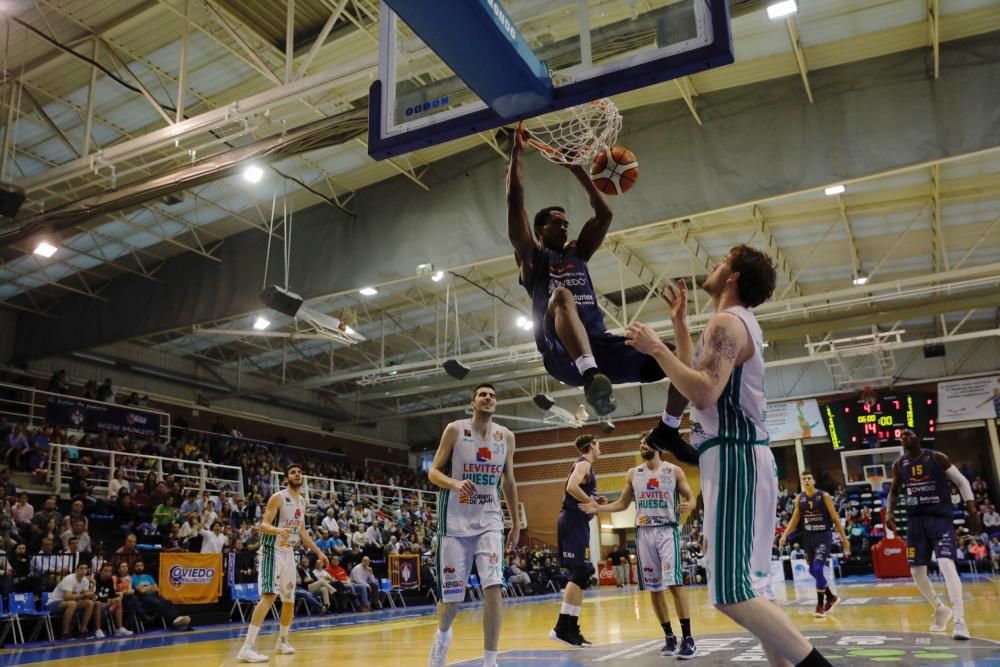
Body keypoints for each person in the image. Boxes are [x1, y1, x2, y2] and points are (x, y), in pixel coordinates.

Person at [625, 244, 834, 667]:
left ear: (734, 276)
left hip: (735, 457)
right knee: (754, 590)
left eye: (722, 262)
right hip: (743, 457)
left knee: (731, 593)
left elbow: (703, 392)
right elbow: (695, 380)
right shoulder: (737, 323)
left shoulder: (727, 322)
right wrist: (679, 327)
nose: (715, 266)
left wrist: (657, 349)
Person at [506, 122, 689, 454]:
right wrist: (517, 153)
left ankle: (670, 429)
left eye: (566, 223)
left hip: (601, 347)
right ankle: (591, 378)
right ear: (539, 229)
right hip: (561, 353)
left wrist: (577, 169)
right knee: (561, 295)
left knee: (678, 359)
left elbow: (603, 214)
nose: (564, 226)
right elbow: (514, 202)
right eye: (556, 223)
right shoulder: (533, 258)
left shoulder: (578, 252)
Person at [426, 383, 520, 667]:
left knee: (493, 587)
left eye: (492, 395)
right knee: (452, 600)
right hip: (454, 522)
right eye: (483, 395)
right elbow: (432, 472)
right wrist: (455, 483)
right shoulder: (455, 429)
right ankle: (442, 638)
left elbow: (509, 481)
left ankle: (490, 661)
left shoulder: (506, 437)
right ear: (473, 403)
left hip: (489, 519)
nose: (488, 398)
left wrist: (515, 523)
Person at [581, 437, 697, 658]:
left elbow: (691, 498)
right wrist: (597, 508)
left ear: (658, 446)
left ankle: (688, 639)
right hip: (643, 532)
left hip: (666, 530)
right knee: (654, 588)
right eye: (641, 443)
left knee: (674, 583)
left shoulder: (674, 471)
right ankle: (669, 638)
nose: (642, 446)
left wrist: (688, 504)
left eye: (646, 443)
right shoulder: (633, 474)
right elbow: (623, 503)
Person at [885, 428, 980, 640]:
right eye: (901, 435)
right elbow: (894, 491)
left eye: (909, 433)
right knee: (917, 572)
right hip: (915, 522)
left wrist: (972, 509)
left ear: (919, 438)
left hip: (939, 519)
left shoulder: (937, 457)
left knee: (946, 564)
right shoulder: (899, 465)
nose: (904, 437)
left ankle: (959, 619)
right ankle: (940, 608)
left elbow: (962, 482)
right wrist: (889, 512)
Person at [237, 463, 328, 662]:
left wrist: (319, 552)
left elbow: (302, 533)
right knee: (269, 596)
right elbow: (263, 525)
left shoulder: (302, 501)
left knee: (289, 601)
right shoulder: (278, 498)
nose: (297, 474)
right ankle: (247, 646)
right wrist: (278, 531)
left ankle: (282, 640)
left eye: (300, 472)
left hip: (288, 553)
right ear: (287, 478)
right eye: (293, 472)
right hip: (272, 551)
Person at [550, 434, 603, 647]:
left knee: (584, 573)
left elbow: (579, 492)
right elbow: (571, 487)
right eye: (599, 445)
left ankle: (571, 627)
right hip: (571, 521)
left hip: (578, 522)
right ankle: (561, 627)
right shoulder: (583, 464)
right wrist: (592, 501)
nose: (601, 449)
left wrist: (595, 501)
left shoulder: (586, 468)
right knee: (579, 571)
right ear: (591, 446)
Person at [778, 471, 851, 618]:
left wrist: (844, 540)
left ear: (814, 481)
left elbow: (835, 519)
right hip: (808, 537)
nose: (806, 481)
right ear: (801, 482)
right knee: (813, 570)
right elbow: (794, 519)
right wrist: (785, 535)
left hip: (823, 536)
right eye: (803, 479)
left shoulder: (824, 496)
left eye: (809, 478)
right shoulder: (799, 498)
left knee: (817, 568)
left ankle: (820, 606)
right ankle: (831, 597)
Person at [130, 559, 192, 629]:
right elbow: (142, 591)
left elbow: (156, 588)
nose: (139, 567)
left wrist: (146, 588)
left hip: (154, 595)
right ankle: (173, 621)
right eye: (137, 566)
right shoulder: (132, 578)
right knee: (158, 603)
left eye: (141, 565)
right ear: (134, 568)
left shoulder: (148, 576)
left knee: (168, 602)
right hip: (143, 598)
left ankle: (178, 618)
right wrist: (151, 587)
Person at [48, 562, 98, 638]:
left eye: (85, 568)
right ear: (76, 570)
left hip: (68, 603)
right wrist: (83, 595)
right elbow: (66, 597)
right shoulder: (69, 579)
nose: (83, 570)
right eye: (81, 568)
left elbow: (87, 595)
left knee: (90, 603)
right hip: (54, 603)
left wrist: (93, 584)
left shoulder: (85, 580)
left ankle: (83, 630)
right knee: (72, 603)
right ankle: (65, 633)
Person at [93, 561, 133, 636]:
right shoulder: (95, 579)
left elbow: (112, 594)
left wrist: (118, 596)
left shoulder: (110, 580)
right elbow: (95, 596)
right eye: (105, 570)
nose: (107, 573)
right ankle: (98, 630)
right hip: (97, 603)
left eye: (109, 571)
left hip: (107, 603)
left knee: (118, 601)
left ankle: (119, 628)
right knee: (98, 603)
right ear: (100, 571)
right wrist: (109, 600)